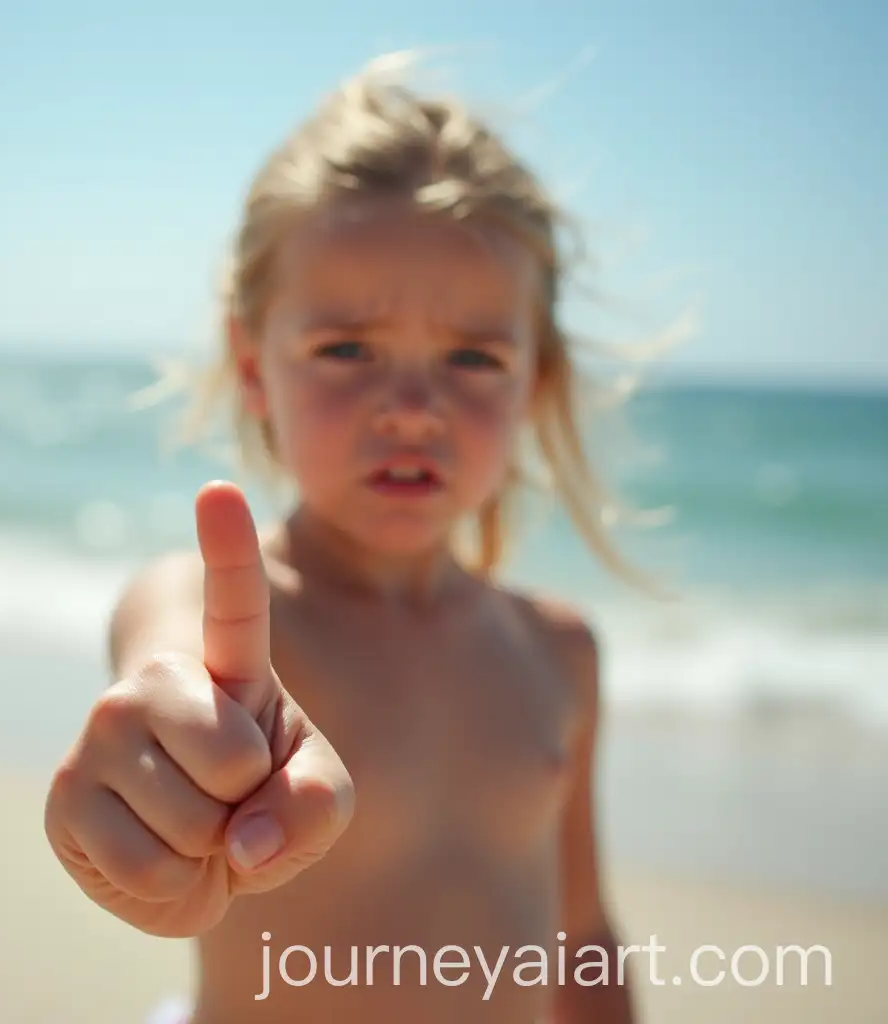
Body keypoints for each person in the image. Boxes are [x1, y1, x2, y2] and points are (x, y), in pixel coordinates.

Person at [44, 51, 656, 1024]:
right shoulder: (217, 619)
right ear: (254, 370)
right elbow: (166, 677)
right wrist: (158, 766)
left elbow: (581, 938)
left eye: (472, 356)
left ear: (533, 383)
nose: (412, 407)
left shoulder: (560, 653)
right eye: (346, 350)